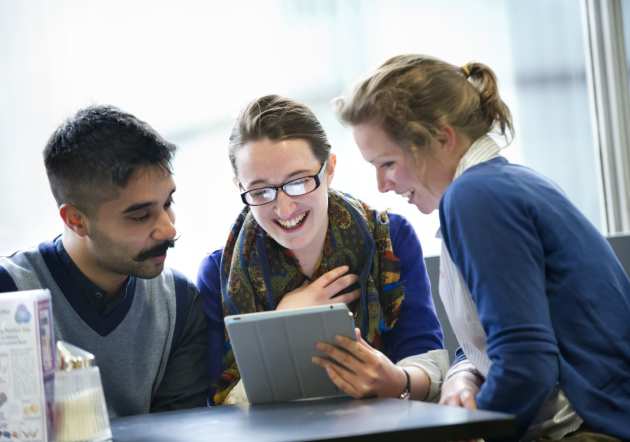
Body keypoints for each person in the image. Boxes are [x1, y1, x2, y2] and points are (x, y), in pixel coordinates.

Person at [336, 54, 630, 441]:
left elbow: (527, 363)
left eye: (388, 163)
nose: (382, 185)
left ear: (443, 138)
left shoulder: (476, 197)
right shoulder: (503, 183)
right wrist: (463, 373)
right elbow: (504, 336)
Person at [197, 95, 448, 405]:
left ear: (329, 169)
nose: (285, 208)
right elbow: (213, 405)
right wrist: (281, 325)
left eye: (299, 182)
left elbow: (427, 361)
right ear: (240, 187)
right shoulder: (216, 272)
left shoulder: (391, 237)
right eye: (261, 191)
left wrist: (396, 380)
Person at [0, 105, 211, 417]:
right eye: (140, 216)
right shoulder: (8, 293)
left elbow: (179, 430)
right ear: (76, 220)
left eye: (169, 203)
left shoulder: (180, 304)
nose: (169, 228)